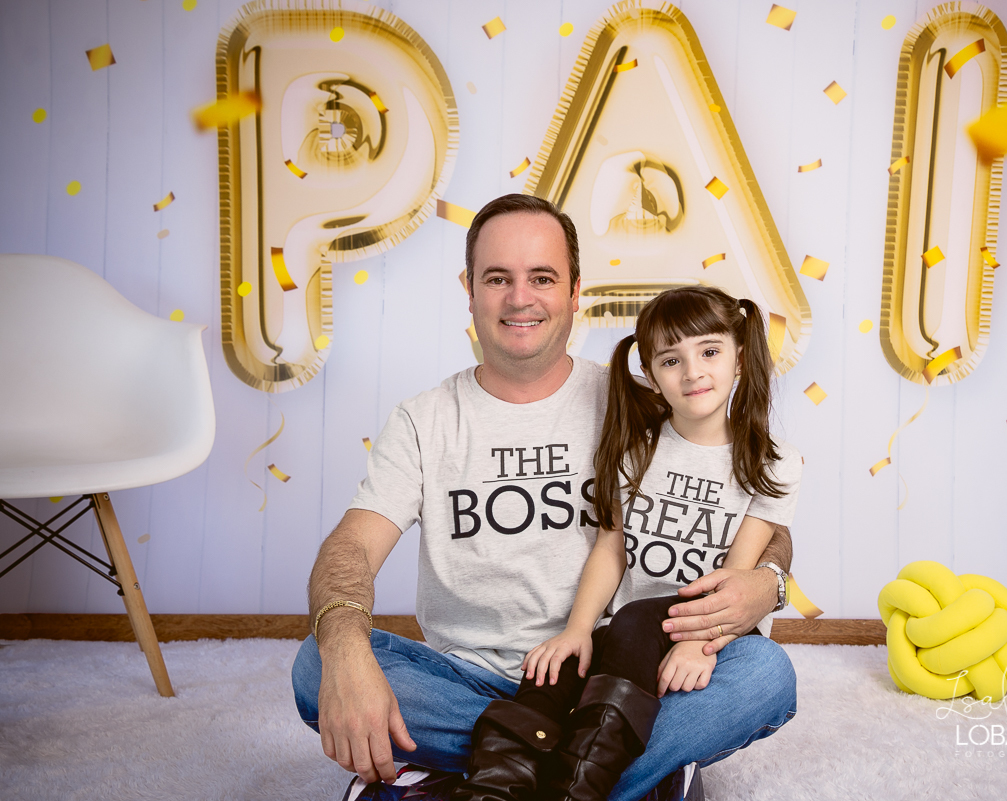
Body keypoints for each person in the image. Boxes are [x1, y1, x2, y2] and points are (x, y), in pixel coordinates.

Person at [291, 194, 797, 801]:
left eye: (542, 277)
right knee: (316, 665)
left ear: (575, 292)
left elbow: (750, 506)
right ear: (469, 289)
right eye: (497, 278)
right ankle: (606, 773)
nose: (520, 298)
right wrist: (346, 645)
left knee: (765, 674)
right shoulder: (424, 421)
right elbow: (349, 547)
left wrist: (767, 583)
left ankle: (497, 776)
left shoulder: (642, 399)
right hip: (470, 682)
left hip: (618, 675)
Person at [452, 286, 803, 801]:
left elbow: (736, 573)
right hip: (626, 641)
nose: (693, 372)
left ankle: (577, 788)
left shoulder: (773, 462)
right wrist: (576, 630)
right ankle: (495, 787)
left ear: (740, 358)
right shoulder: (637, 449)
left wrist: (698, 644)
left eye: (709, 351)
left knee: (702, 646)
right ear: (651, 375)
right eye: (671, 360)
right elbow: (610, 549)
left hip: (713, 635)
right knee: (557, 666)